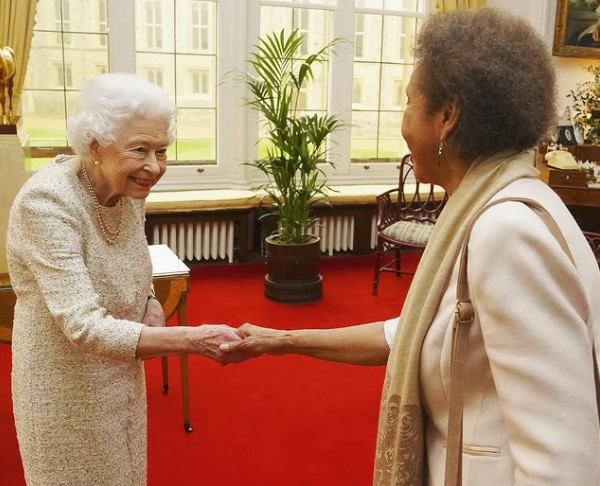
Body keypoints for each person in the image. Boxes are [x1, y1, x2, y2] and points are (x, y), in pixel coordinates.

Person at [222, 8, 600, 485]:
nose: (403, 119)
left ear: (447, 116)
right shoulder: (499, 202)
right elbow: (417, 334)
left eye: (408, 101)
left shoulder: (506, 231)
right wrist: (282, 341)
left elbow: (562, 465)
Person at [6, 73, 242, 485]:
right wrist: (191, 340)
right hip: (62, 387)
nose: (154, 167)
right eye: (140, 150)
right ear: (96, 145)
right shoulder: (46, 202)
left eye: (162, 151)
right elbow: (82, 325)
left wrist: (150, 300)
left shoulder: (127, 189)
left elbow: (134, 261)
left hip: (120, 377)